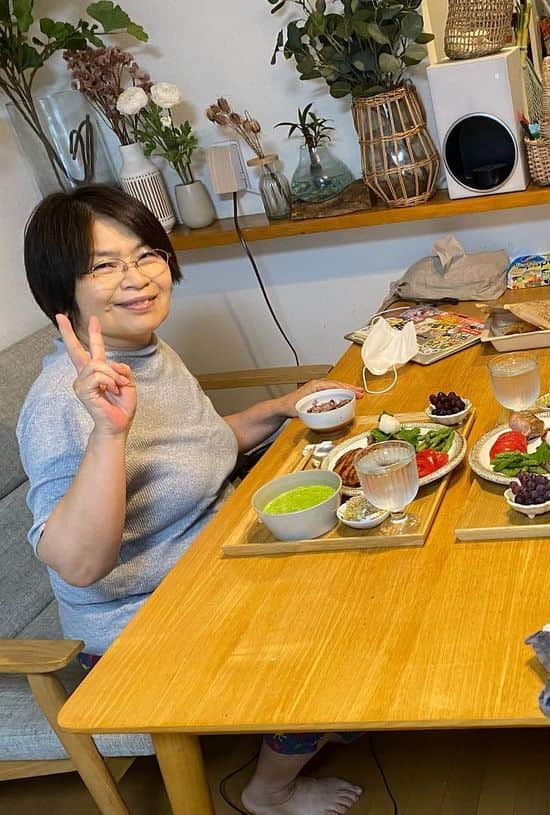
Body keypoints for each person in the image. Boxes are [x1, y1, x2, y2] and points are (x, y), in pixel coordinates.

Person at [17, 186, 366, 815]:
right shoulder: (62, 404)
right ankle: (270, 791)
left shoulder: (146, 350)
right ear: (59, 289)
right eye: (103, 264)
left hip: (217, 561)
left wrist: (283, 406)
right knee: (343, 640)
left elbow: (199, 451)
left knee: (368, 551)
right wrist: (109, 432)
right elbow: (77, 563)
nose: (138, 278)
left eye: (147, 254)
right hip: (141, 626)